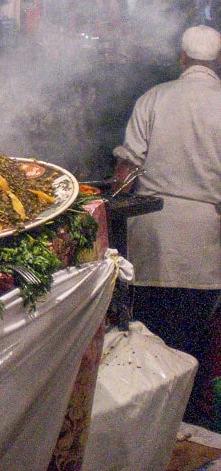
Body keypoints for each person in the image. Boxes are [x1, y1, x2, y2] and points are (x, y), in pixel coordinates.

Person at [112, 24, 221, 429]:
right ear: (217, 61)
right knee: (194, 338)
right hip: (205, 237)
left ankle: (148, 427)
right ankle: (191, 424)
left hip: (152, 230)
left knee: (149, 338)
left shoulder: (154, 98)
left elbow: (127, 171)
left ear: (182, 58)